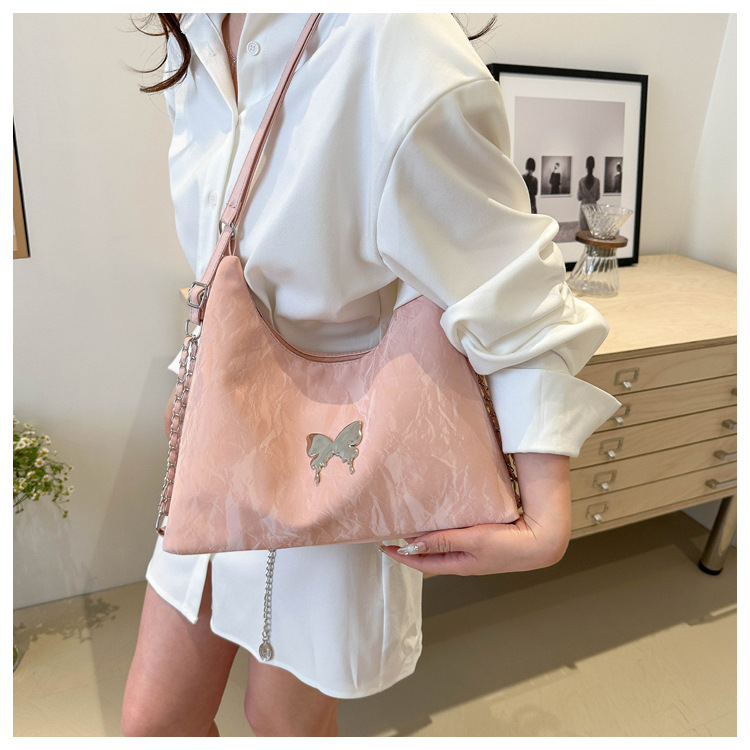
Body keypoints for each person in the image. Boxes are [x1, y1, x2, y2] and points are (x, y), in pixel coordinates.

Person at [121, 14, 619, 737]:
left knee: (283, 724)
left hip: (340, 459)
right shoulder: (194, 33)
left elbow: (508, 278)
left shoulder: (390, 36)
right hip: (219, 437)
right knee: (153, 722)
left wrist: (545, 505)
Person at [577, 155, 602, 231]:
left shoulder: (581, 181)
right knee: (593, 229)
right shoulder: (597, 181)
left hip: (584, 206)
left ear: (586, 166)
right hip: (593, 206)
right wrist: (592, 198)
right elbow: (597, 197)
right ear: (594, 166)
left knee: (583, 230)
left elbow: (579, 197)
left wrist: (585, 197)